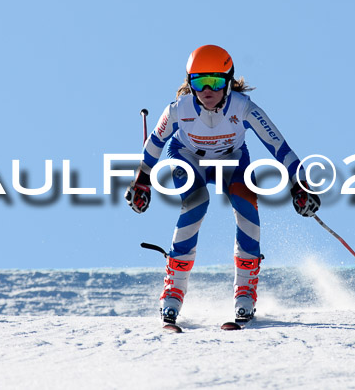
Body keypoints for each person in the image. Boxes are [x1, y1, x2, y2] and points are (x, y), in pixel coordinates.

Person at [125, 45, 320, 325]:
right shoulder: (179, 109)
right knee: (196, 202)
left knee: (246, 204)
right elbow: (155, 143)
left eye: (215, 81)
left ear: (229, 81)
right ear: (189, 83)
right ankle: (173, 291)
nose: (207, 90)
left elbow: (279, 146)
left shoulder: (243, 107)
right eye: (198, 82)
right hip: (188, 156)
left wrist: (300, 184)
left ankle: (245, 291)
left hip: (232, 159)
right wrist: (142, 181)